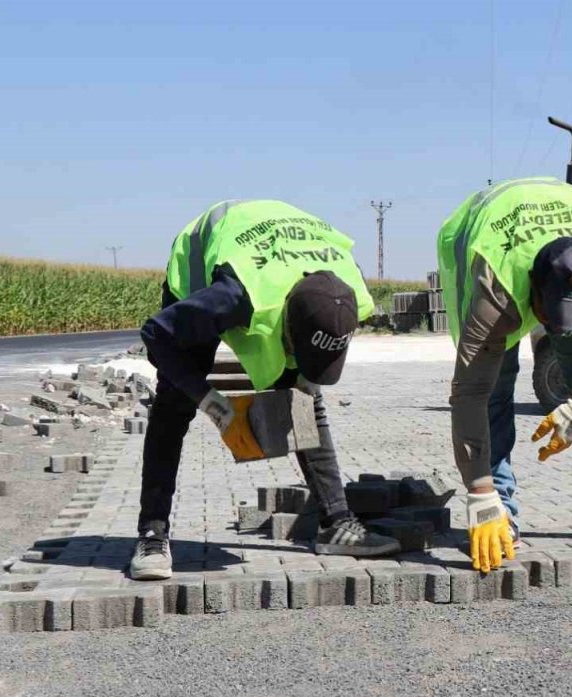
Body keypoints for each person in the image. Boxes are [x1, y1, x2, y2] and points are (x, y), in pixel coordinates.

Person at [130, 199, 401, 581]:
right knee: (174, 403)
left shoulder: (348, 289)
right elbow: (155, 335)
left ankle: (336, 522)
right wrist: (212, 404)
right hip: (205, 267)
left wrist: (302, 382)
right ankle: (152, 532)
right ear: (285, 326)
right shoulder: (231, 298)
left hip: (277, 258)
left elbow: (306, 388)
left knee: (306, 396)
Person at [437, 178, 572, 573]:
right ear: (533, 292)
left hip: (551, 237)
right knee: (494, 389)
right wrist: (478, 493)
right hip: (481, 242)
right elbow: (468, 394)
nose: (560, 330)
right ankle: (500, 510)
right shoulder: (495, 283)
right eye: (552, 317)